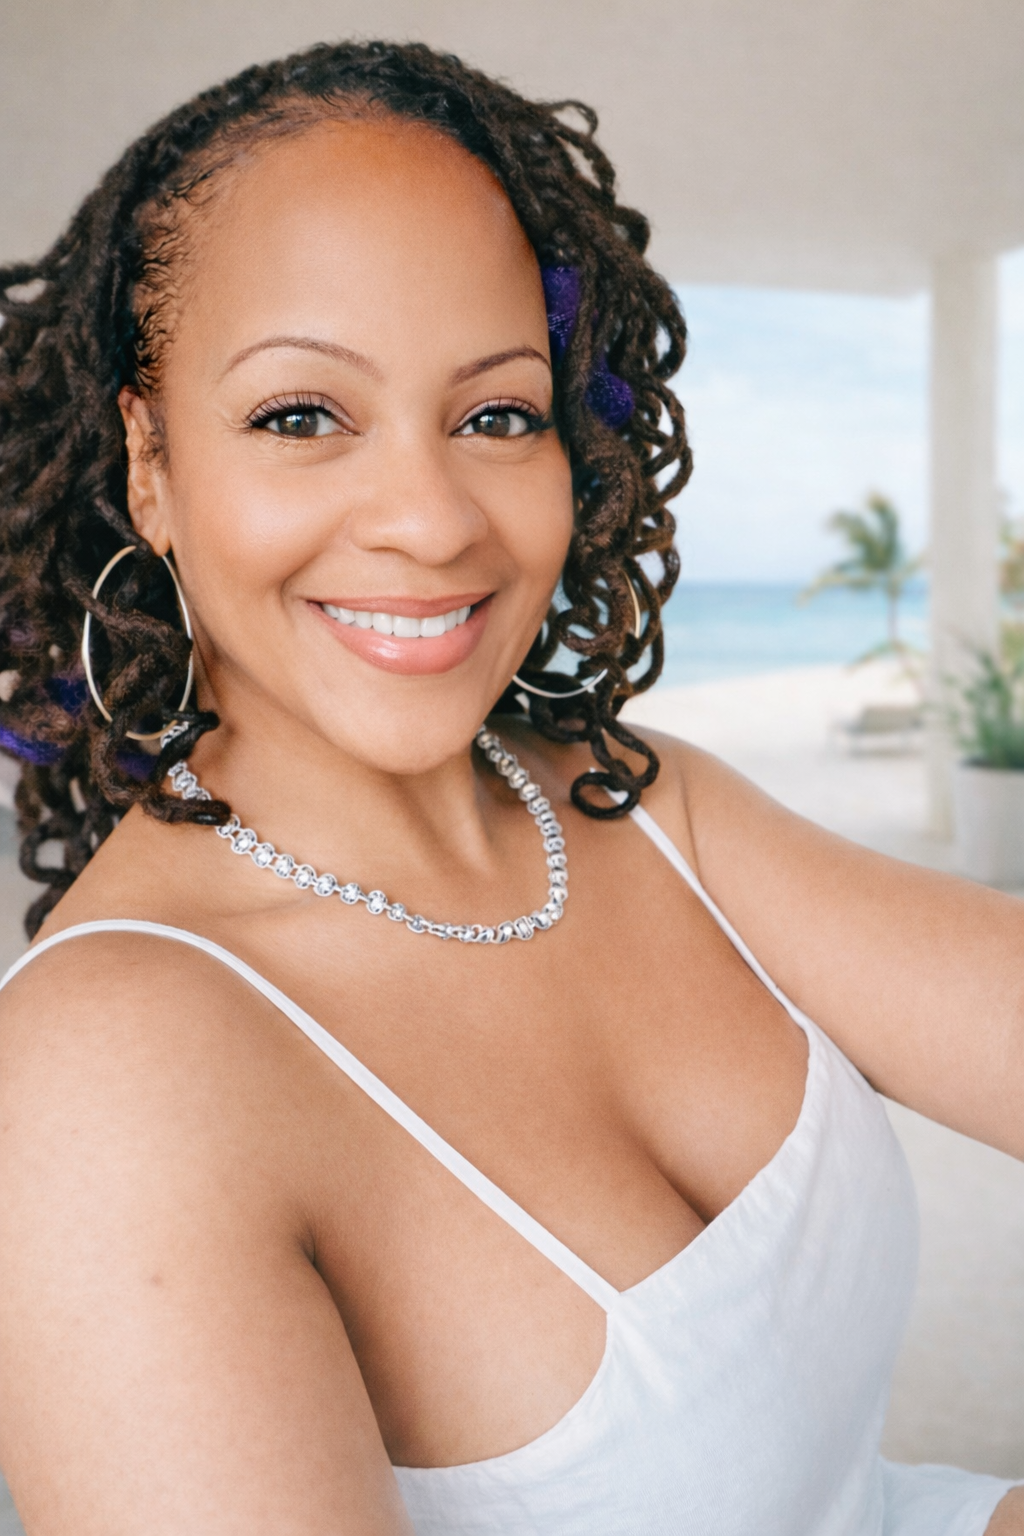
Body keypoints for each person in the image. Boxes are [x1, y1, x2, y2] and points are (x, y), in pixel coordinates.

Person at [0, 39, 1019, 1536]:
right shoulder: (99, 1082)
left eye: (496, 414)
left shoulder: (636, 809)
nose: (427, 518)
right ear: (149, 462)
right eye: (302, 415)